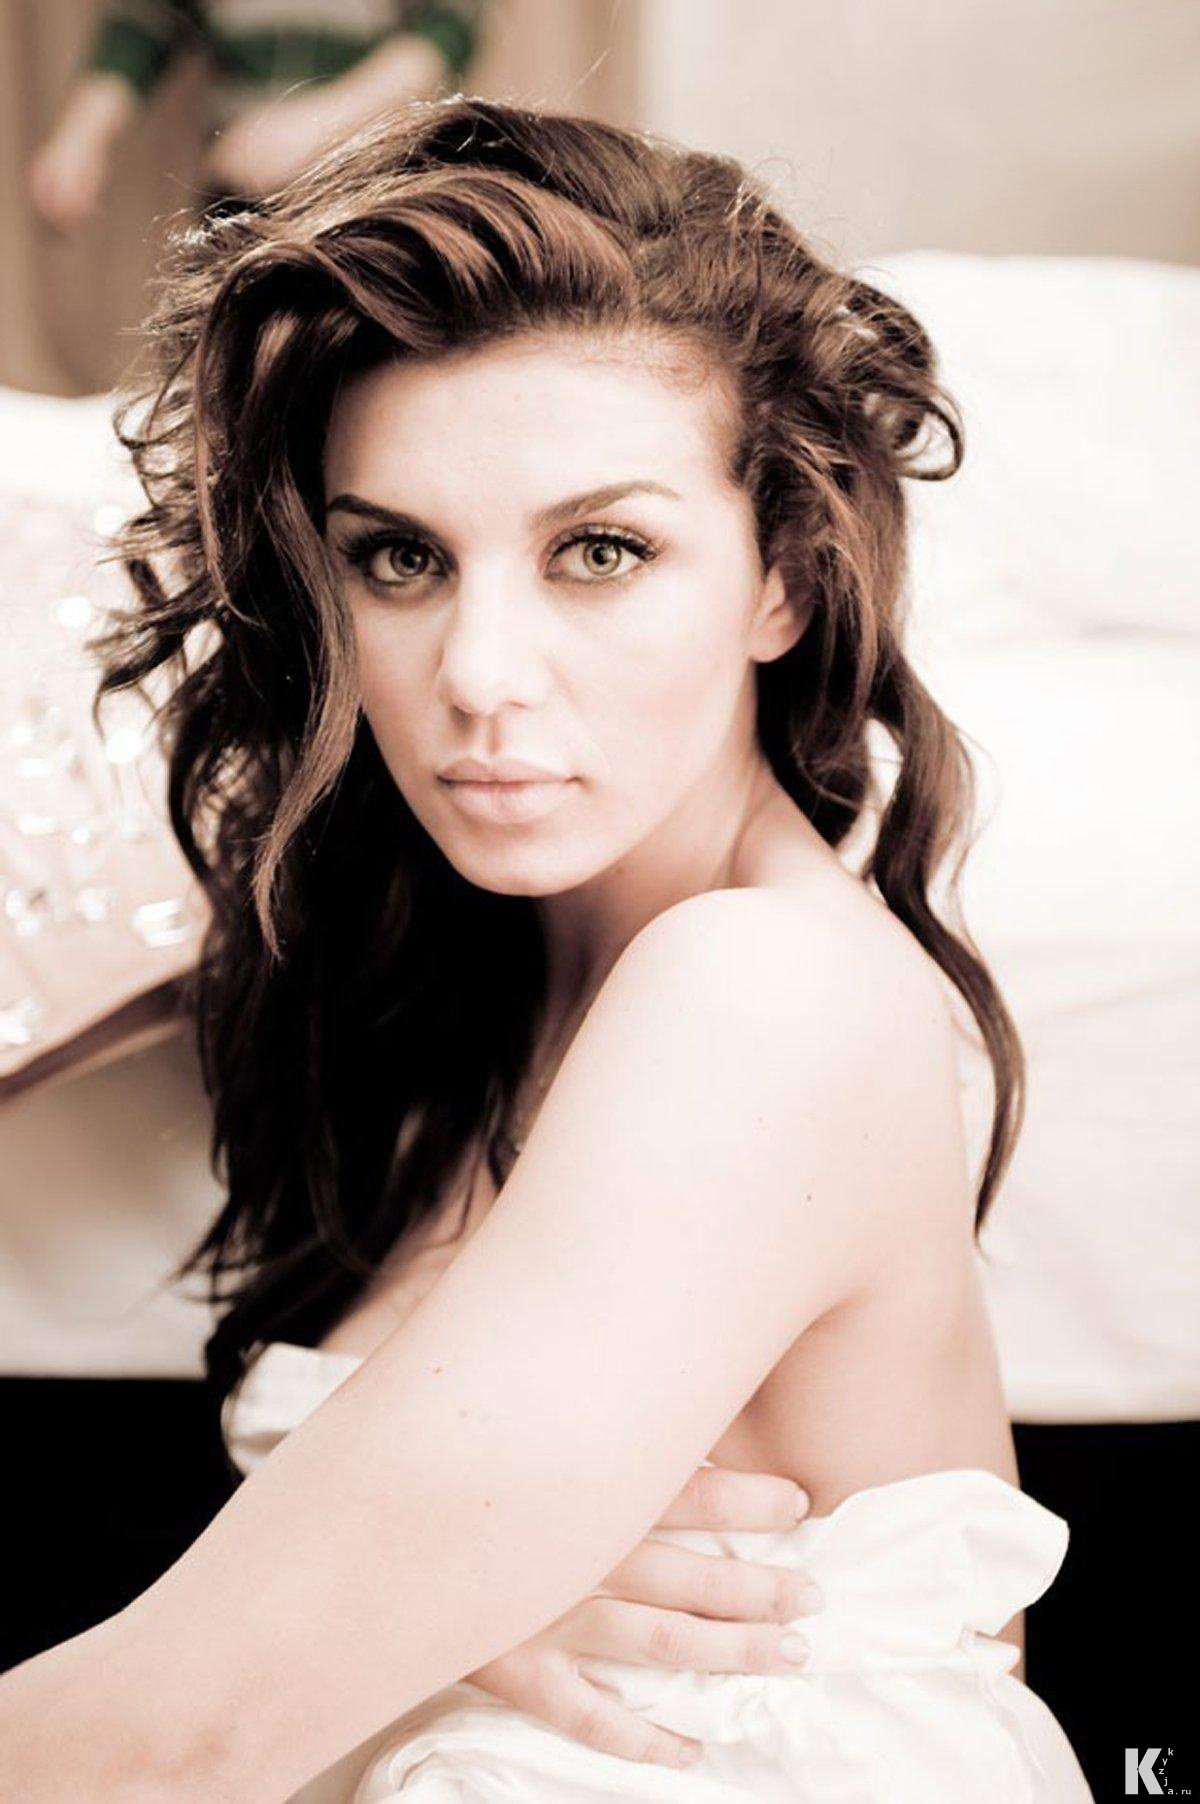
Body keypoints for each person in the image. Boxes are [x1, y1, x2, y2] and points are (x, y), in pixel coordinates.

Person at [0, 96, 1094, 1801]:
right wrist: (430, 1605)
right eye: (399, 557)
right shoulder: (467, 978)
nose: (479, 673)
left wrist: (373, 1614)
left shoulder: (767, 996)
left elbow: (179, 1733)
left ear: (784, 579)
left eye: (600, 550)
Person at [28, 0, 486, 230]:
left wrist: (316, 128)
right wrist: (82, 134)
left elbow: (448, 25)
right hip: (240, 191)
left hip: (375, 181)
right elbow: (146, 21)